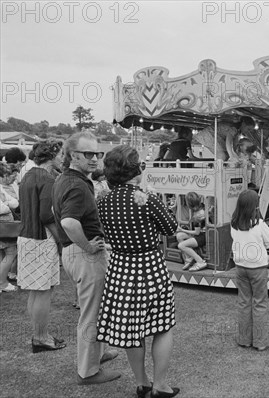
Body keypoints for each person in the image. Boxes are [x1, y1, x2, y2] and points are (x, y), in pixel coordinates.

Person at [97, 145, 179, 398]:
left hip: (120, 269)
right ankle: (160, 385)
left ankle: (142, 383)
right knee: (162, 327)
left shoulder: (103, 202)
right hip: (149, 266)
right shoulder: (146, 198)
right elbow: (170, 228)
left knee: (133, 330)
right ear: (136, 170)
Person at [51, 131, 120, 385]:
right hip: (83, 254)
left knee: (96, 311)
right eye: (88, 154)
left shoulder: (66, 179)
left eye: (97, 154)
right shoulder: (77, 185)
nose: (94, 159)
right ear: (72, 156)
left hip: (73, 252)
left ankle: (96, 356)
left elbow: (56, 213)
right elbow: (69, 221)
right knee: (91, 314)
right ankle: (88, 371)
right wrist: (88, 247)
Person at [16, 140, 67, 352]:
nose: (63, 158)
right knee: (43, 291)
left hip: (26, 237)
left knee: (35, 292)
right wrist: (62, 240)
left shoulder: (28, 175)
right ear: (52, 155)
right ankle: (41, 337)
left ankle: (38, 335)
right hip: (41, 239)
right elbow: (46, 215)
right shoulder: (48, 179)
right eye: (61, 154)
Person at [231, 189, 269, 351]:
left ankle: (244, 340)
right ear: (255, 206)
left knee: (244, 303)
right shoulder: (260, 225)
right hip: (258, 268)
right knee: (260, 304)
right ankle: (261, 342)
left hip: (241, 267)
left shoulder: (234, 223)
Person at [0, 162, 19, 292]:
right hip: (4, 227)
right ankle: (2, 283)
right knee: (10, 253)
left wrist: (6, 203)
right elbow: (5, 206)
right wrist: (7, 204)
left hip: (5, 226)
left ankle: (2, 282)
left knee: (3, 254)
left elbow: (14, 202)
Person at [176, 192, 207, 272]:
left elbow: (197, 233)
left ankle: (200, 261)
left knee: (181, 245)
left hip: (202, 237)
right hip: (200, 234)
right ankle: (189, 258)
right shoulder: (201, 207)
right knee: (179, 236)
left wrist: (182, 229)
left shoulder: (198, 216)